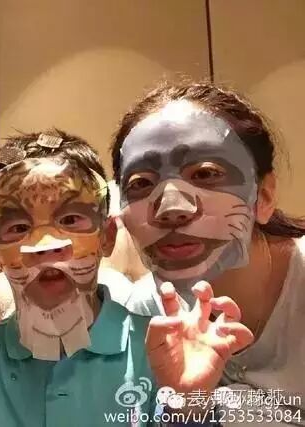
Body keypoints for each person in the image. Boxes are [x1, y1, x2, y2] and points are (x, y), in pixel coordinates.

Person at [0, 129, 253, 427]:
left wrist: (186, 405)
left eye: (71, 220)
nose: (47, 246)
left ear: (107, 237)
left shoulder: (161, 345)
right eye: (18, 227)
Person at [110, 82, 305, 424]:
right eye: (140, 183)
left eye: (205, 174)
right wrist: (185, 408)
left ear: (263, 197)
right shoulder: (144, 315)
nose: (170, 209)